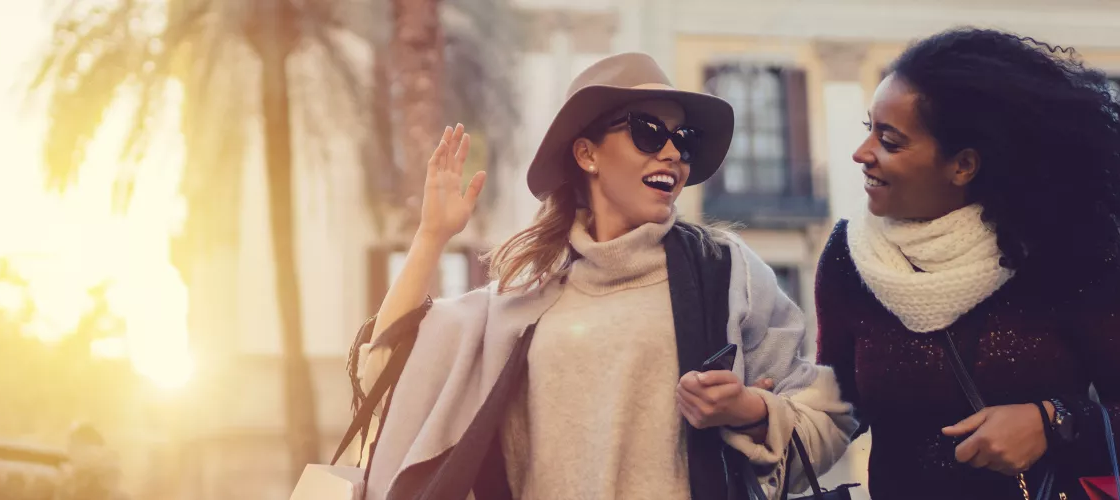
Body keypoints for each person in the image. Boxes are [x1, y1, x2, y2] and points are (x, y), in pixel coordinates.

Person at [346, 52, 855, 500]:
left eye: (685, 138)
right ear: (587, 154)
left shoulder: (726, 273)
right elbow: (387, 372)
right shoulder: (522, 298)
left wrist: (749, 410)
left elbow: (829, 421)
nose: (673, 152)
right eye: (648, 132)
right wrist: (430, 238)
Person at [815, 28, 1120, 500]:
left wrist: (1052, 421)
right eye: (868, 129)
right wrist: (760, 414)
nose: (862, 153)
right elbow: (837, 409)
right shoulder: (849, 255)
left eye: (890, 141)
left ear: (963, 166)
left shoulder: (1070, 250)